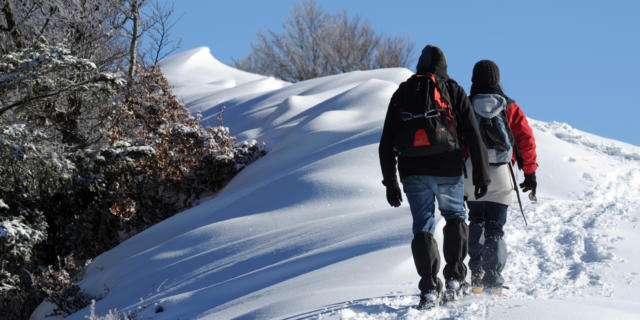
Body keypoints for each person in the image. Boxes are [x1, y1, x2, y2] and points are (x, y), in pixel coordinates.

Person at [378, 45, 491, 308]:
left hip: (412, 171)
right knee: (454, 217)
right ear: (444, 66)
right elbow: (474, 134)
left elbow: (386, 143)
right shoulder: (452, 89)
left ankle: (429, 287)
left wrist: (391, 182)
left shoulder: (403, 92)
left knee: (423, 226)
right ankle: (454, 279)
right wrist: (482, 175)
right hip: (447, 168)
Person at [463, 59, 538, 295]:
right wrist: (530, 172)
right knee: (495, 228)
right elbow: (525, 139)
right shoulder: (510, 106)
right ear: (497, 78)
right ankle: (493, 281)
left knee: (476, 221)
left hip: (473, 172)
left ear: (474, 78)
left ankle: (476, 276)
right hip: (502, 173)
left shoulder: (465, 104)